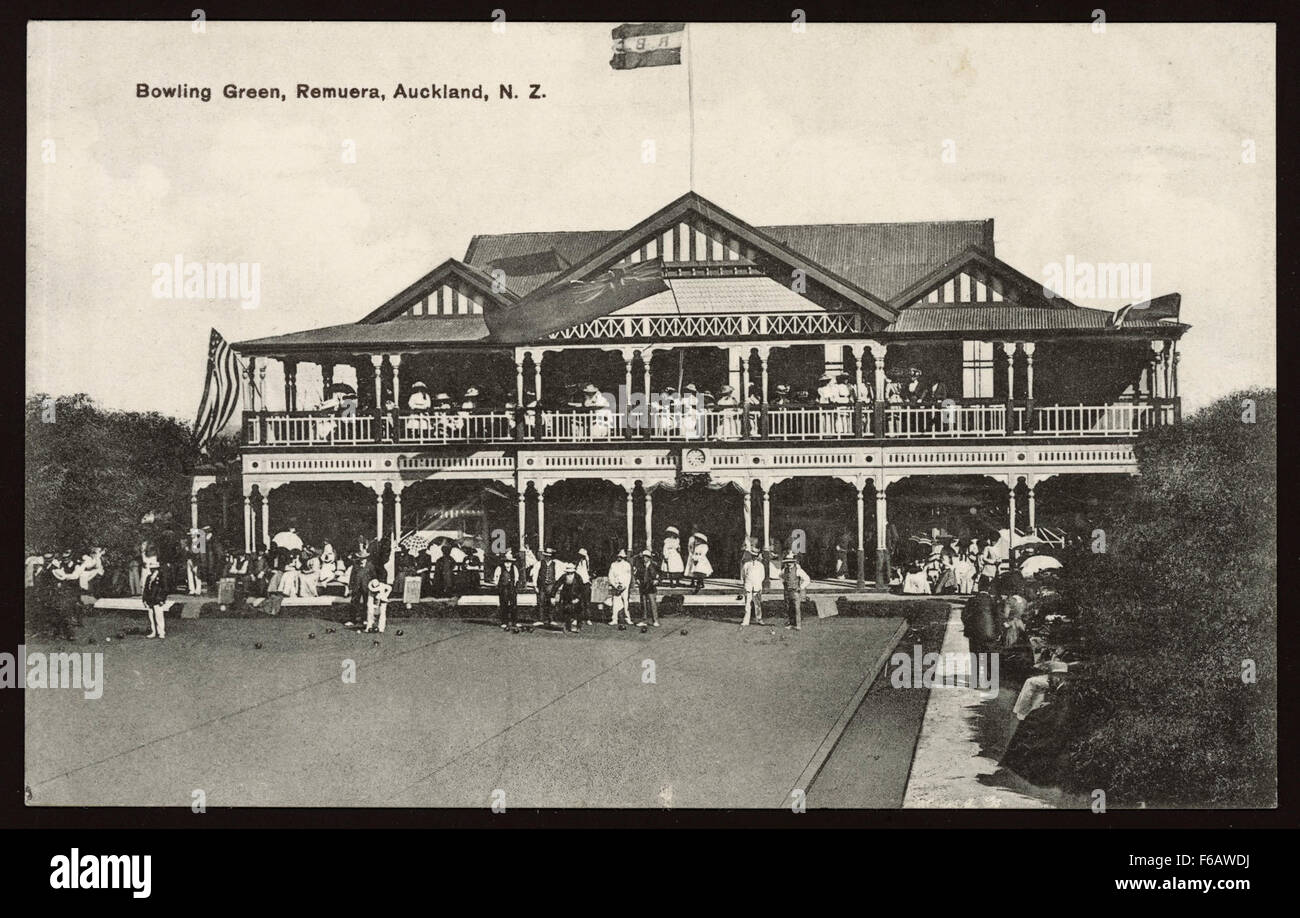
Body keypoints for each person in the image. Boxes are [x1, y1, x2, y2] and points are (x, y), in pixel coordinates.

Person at [494, 549, 526, 631]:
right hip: (503, 588)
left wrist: (515, 586)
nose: (508, 563)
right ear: (504, 562)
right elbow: (496, 577)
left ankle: (514, 621)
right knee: (504, 604)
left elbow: (516, 577)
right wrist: (497, 585)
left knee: (513, 605)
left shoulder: (514, 568)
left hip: (511, 588)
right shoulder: (499, 568)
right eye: (506, 562)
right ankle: (504, 622)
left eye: (509, 562)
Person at [550, 563, 586, 632]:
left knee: (578, 612)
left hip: (576, 597)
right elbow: (556, 585)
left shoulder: (578, 577)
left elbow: (582, 589)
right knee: (566, 612)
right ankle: (567, 627)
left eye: (571, 573)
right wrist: (552, 596)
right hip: (566, 597)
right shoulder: (564, 576)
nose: (569, 574)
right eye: (568, 572)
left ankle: (579, 626)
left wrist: (578, 598)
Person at [780, 552, 809, 631]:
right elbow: (780, 576)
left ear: (793, 562)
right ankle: (791, 624)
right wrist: (784, 582)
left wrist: (801, 587)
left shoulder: (798, 570)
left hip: (795, 591)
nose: (789, 563)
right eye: (787, 562)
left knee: (796, 608)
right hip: (787, 591)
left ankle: (798, 625)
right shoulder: (784, 570)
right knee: (788, 607)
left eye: (790, 562)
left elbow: (807, 579)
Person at [142, 559, 168, 640]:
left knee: (159, 616)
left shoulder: (161, 577)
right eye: (151, 568)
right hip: (150, 600)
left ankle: (161, 632)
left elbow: (165, 589)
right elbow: (146, 589)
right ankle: (153, 631)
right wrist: (144, 600)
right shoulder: (148, 577)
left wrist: (162, 599)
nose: (151, 569)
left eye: (154, 568)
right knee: (151, 617)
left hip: (157, 599)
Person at [633, 549, 660, 627]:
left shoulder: (654, 565)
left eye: (646, 557)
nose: (644, 558)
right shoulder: (640, 565)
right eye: (644, 557)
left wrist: (657, 580)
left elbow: (660, 574)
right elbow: (637, 574)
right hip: (643, 587)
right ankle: (644, 620)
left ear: (649, 558)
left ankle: (655, 620)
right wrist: (637, 580)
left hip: (651, 587)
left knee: (652, 604)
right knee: (643, 604)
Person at [607, 549, 633, 626]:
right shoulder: (613, 565)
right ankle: (614, 619)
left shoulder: (627, 565)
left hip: (624, 586)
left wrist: (624, 586)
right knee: (615, 603)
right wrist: (615, 585)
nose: (619, 558)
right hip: (615, 586)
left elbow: (628, 577)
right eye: (618, 556)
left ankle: (627, 618)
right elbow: (610, 576)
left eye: (621, 556)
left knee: (625, 603)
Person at [739, 549, 766, 627]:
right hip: (748, 586)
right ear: (751, 556)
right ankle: (746, 620)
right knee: (747, 604)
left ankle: (759, 619)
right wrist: (745, 583)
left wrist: (757, 583)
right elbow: (743, 575)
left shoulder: (760, 565)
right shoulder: (747, 564)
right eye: (753, 556)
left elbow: (762, 576)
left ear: (757, 557)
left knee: (757, 604)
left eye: (756, 556)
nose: (754, 557)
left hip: (757, 586)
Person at [534, 547, 557, 627]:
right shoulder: (539, 563)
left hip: (551, 585)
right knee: (541, 601)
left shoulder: (555, 564)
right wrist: (535, 585)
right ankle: (540, 619)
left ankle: (551, 619)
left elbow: (556, 575)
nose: (548, 557)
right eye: (546, 555)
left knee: (551, 602)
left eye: (549, 555)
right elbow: (535, 574)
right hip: (542, 585)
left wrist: (556, 587)